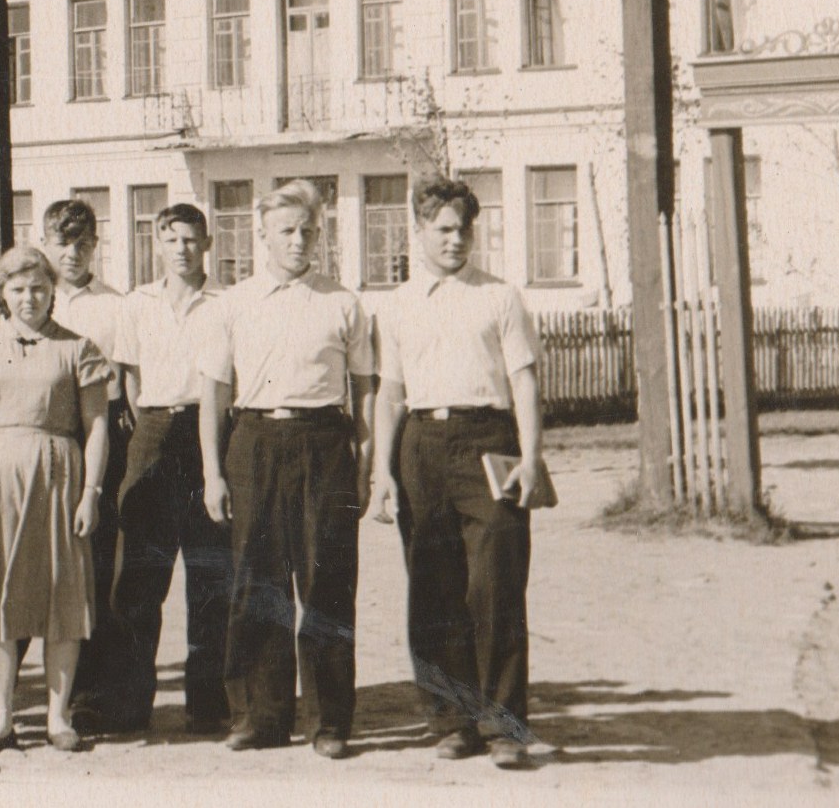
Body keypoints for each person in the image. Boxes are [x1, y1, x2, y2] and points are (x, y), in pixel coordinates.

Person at [370, 175, 545, 771]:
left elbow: (523, 380)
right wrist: (382, 472)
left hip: (488, 442)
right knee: (433, 586)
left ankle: (503, 724)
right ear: (418, 232)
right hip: (420, 445)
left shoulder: (499, 296)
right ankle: (450, 721)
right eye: (443, 229)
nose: (456, 238)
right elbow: (389, 390)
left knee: (495, 582)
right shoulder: (394, 304)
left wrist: (531, 455)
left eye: (464, 227)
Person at [198, 180, 371, 758]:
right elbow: (215, 392)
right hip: (254, 440)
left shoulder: (341, 302)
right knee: (257, 581)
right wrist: (213, 473)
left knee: (326, 582)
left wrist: (365, 461)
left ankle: (329, 722)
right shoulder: (234, 303)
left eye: (308, 231)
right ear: (262, 236)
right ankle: (260, 716)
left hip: (324, 441)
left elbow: (364, 388)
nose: (299, 242)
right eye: (287, 231)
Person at [0, 246, 111, 756]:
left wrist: (91, 493)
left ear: (52, 291)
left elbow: (97, 426)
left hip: (60, 474)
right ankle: (0, 719)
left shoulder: (78, 348)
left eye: (38, 288)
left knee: (62, 596)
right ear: (1, 293)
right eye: (17, 289)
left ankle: (59, 718)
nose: (29, 298)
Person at [99, 202, 231, 734]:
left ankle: (208, 703)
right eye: (172, 238)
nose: (182, 248)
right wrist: (150, 426)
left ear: (207, 244)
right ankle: (131, 702)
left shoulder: (225, 303)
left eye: (191, 239)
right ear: (157, 243)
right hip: (153, 431)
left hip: (208, 433)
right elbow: (129, 379)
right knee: (140, 576)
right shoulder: (137, 304)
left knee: (210, 573)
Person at [38, 199, 128, 733]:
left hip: (99, 433)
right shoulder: (27, 299)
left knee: (96, 570)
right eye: (61, 241)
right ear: (44, 241)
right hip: (41, 434)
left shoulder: (115, 306)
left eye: (83, 243)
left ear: (96, 246)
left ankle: (90, 696)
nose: (71, 254)